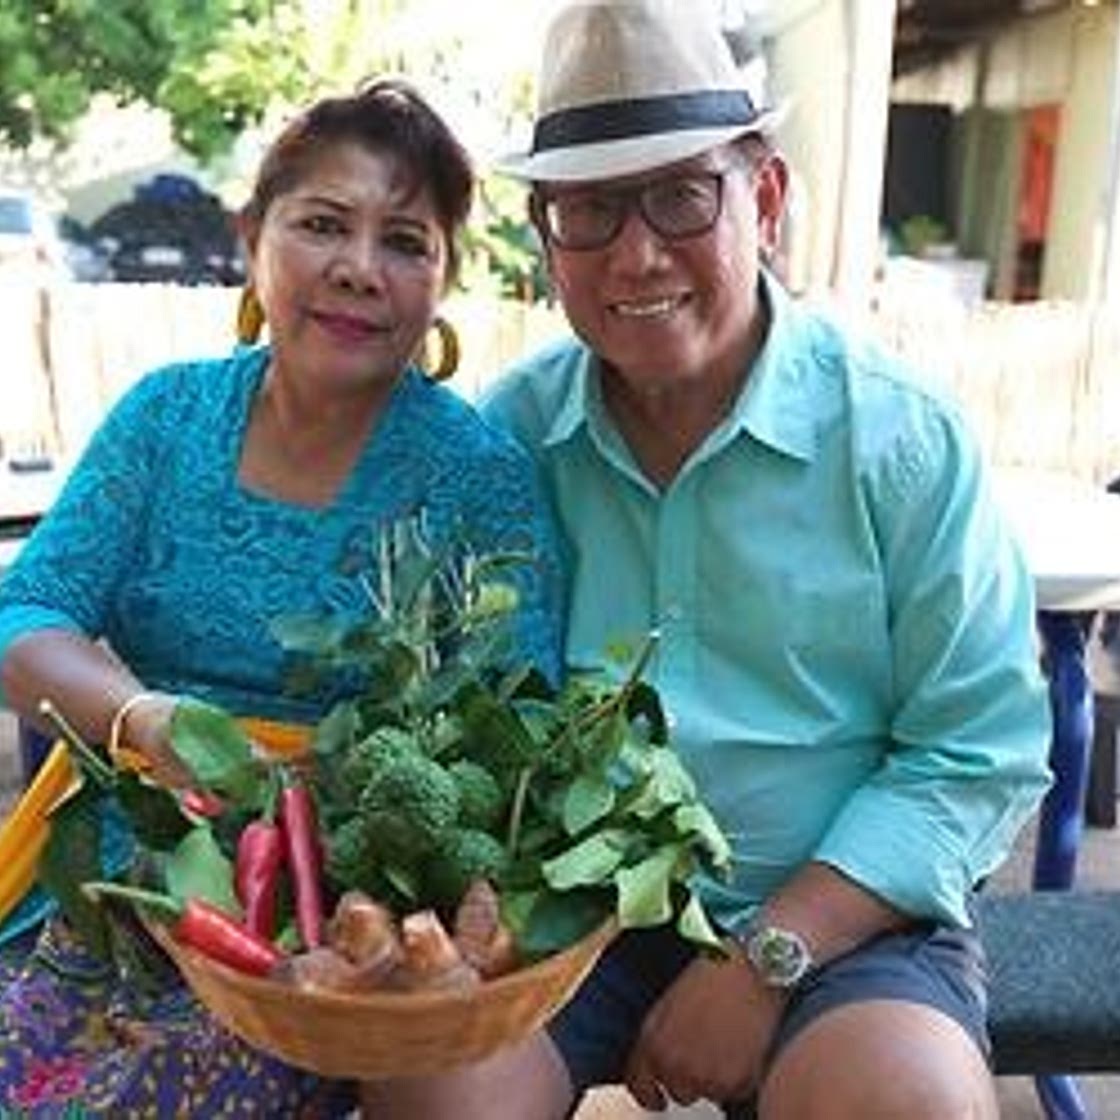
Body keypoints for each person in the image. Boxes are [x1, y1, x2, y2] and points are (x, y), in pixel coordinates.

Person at [362, 3, 1052, 1118]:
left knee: (907, 1103)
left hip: (845, 913)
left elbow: (978, 748)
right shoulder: (508, 440)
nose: (636, 253)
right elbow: (454, 706)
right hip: (569, 909)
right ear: (545, 236)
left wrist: (768, 953)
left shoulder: (898, 439)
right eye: (588, 208)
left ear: (763, 199)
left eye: (682, 194)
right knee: (429, 1085)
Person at [0, 78, 562, 1116]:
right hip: (115, 878)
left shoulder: (475, 477)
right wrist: (146, 719)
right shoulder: (166, 419)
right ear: (252, 236)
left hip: (316, 921)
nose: (359, 268)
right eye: (322, 224)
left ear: (442, 281)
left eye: (405, 241)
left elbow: (522, 725)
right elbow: (23, 617)